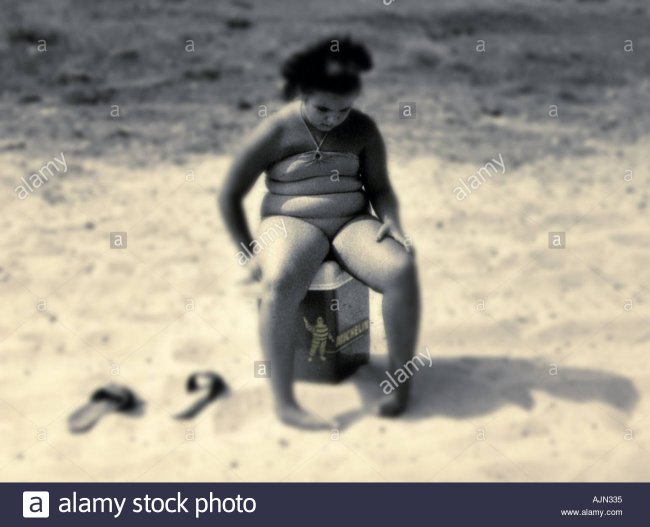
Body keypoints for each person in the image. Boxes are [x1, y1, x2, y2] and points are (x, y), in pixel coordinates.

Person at [219, 36, 421, 430]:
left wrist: (391, 217)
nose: (333, 118)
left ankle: (401, 386)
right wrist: (248, 252)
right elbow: (229, 194)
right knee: (278, 284)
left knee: (401, 271)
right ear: (304, 93)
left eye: (343, 110)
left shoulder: (363, 129)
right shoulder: (276, 130)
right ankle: (284, 404)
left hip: (350, 222)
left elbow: (380, 188)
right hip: (291, 222)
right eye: (323, 108)